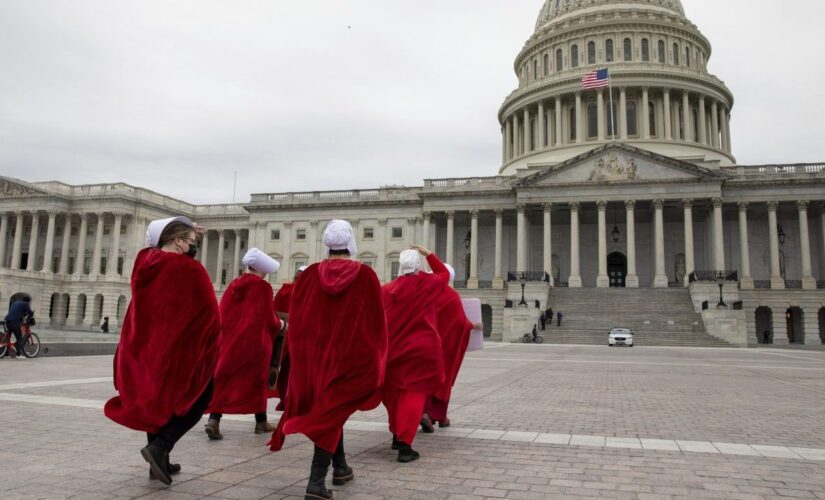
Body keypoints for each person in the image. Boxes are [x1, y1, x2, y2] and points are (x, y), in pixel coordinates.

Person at [270, 220, 387, 500]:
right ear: (350, 243)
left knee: (331, 409)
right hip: (350, 359)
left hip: (316, 358)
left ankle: (341, 467)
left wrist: (301, 358)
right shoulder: (366, 276)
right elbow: (376, 323)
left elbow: (300, 319)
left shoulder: (309, 275)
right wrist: (377, 358)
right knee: (331, 411)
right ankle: (315, 482)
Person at [104, 216, 220, 486]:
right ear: (177, 241)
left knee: (153, 402)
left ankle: (159, 462)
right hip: (177, 353)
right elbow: (210, 315)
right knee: (202, 398)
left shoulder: (144, 263)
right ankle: (161, 447)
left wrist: (187, 230)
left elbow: (153, 244)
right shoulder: (190, 270)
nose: (193, 247)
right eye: (190, 242)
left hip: (142, 348)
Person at [205, 248, 285, 440]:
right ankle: (260, 422)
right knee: (257, 382)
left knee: (224, 380)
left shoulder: (234, 284)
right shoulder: (262, 287)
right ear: (262, 269)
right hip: (256, 344)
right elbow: (267, 319)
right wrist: (282, 324)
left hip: (231, 342)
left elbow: (222, 313)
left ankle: (214, 420)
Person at [382, 245, 449, 463]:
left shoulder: (387, 289)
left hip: (393, 350)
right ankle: (405, 444)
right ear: (419, 267)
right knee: (414, 395)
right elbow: (444, 273)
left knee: (395, 394)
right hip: (420, 350)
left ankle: (395, 434)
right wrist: (429, 253)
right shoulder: (427, 284)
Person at [421, 264, 477, 433]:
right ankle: (438, 416)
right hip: (444, 348)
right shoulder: (452, 296)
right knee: (444, 381)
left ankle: (423, 412)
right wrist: (472, 326)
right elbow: (460, 323)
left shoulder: (425, 294)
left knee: (424, 381)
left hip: (424, 346)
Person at [271, 265, 307, 411]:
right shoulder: (308, 292)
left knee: (284, 370)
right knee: (300, 372)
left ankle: (285, 400)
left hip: (284, 336)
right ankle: (297, 401)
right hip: (302, 338)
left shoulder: (285, 291)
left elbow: (275, 310)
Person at [4, 293, 34, 359]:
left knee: (8, 338)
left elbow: (16, 311)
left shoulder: (15, 302)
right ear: (28, 301)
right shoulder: (26, 304)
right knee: (19, 338)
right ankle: (18, 354)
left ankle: (6, 354)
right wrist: (32, 313)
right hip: (15, 322)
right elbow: (30, 312)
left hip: (7, 321)